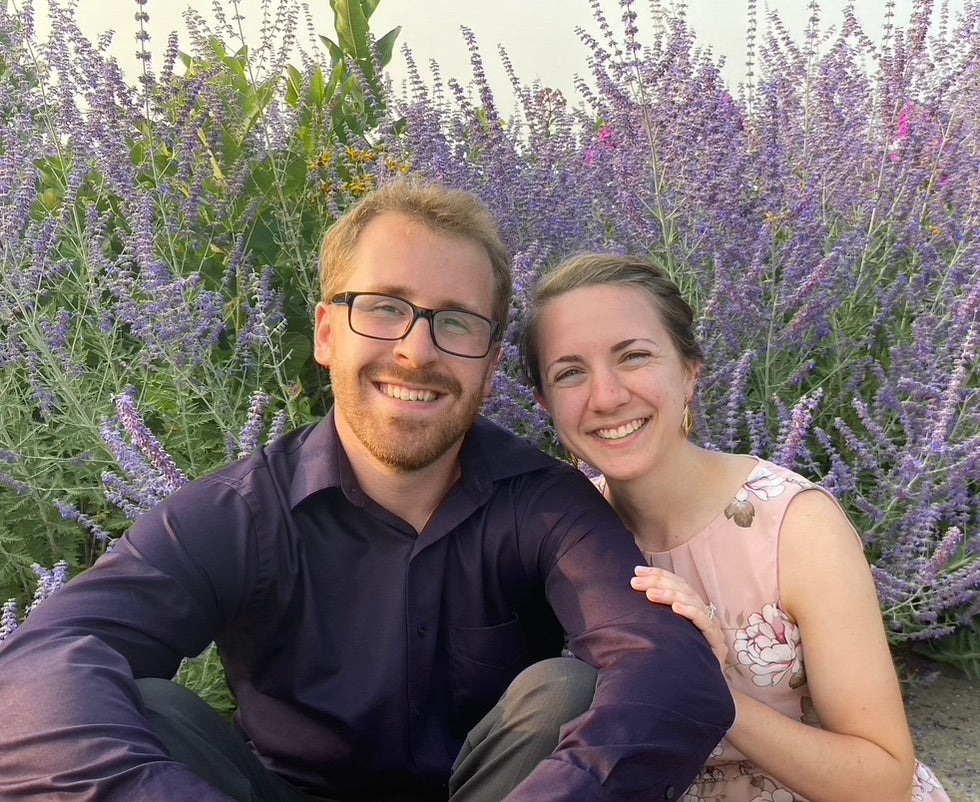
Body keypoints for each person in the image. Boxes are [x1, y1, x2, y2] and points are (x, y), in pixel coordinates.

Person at [0, 182, 734, 802]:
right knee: (145, 706)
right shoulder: (242, 512)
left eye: (456, 322)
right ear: (327, 333)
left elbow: (668, 671)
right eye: (383, 307)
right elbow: (35, 670)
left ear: (489, 365)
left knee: (565, 694)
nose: (416, 351)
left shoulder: (544, 505)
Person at [519, 252, 951, 802]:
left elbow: (881, 780)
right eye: (570, 373)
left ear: (689, 371)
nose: (606, 396)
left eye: (634, 356)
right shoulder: (562, 535)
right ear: (545, 403)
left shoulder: (795, 527)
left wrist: (708, 687)